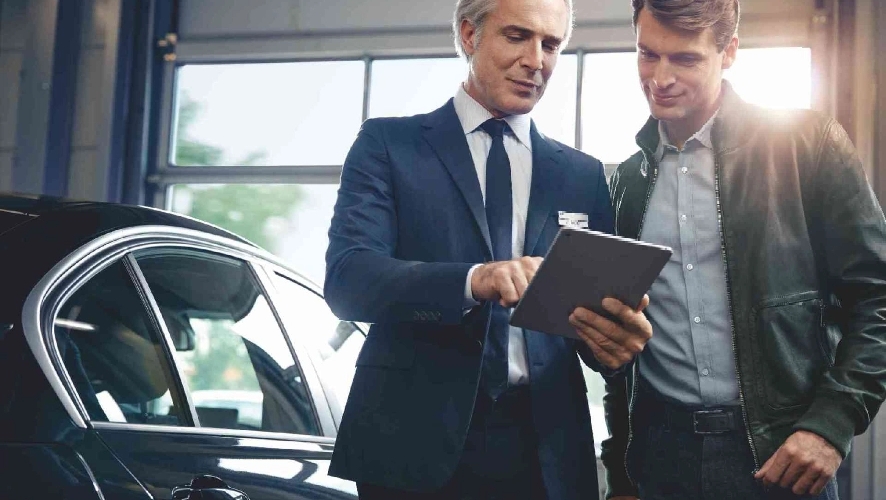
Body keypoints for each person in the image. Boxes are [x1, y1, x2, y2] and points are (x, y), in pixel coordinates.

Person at [323, 0, 654, 498]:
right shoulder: (388, 145)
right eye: (518, 36)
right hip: (411, 444)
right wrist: (475, 279)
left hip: (546, 451)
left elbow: (592, 335)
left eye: (552, 44)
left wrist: (614, 344)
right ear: (469, 35)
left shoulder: (582, 174)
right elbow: (350, 281)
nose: (537, 61)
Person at [590, 0, 886, 499]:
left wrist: (830, 424)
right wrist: (620, 469)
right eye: (647, 54)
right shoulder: (624, 184)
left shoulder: (807, 145)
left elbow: (879, 297)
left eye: (685, 59)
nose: (660, 78)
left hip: (782, 451)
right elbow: (624, 350)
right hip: (660, 458)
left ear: (728, 52)